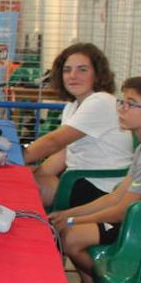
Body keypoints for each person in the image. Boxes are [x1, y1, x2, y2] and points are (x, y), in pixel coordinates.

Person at [49, 77, 141, 283]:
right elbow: (116, 196)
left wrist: (73, 221)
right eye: (121, 102)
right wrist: (67, 214)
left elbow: (123, 210)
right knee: (69, 232)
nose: (121, 109)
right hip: (137, 224)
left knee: (71, 238)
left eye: (130, 104)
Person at [22, 43, 134, 208]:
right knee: (23, 182)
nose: (73, 76)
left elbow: (53, 142)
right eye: (67, 70)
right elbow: (62, 154)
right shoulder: (72, 107)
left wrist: (14, 158)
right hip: (78, 179)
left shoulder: (100, 101)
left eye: (82, 70)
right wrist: (31, 173)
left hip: (103, 187)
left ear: (97, 74)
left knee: (25, 188)